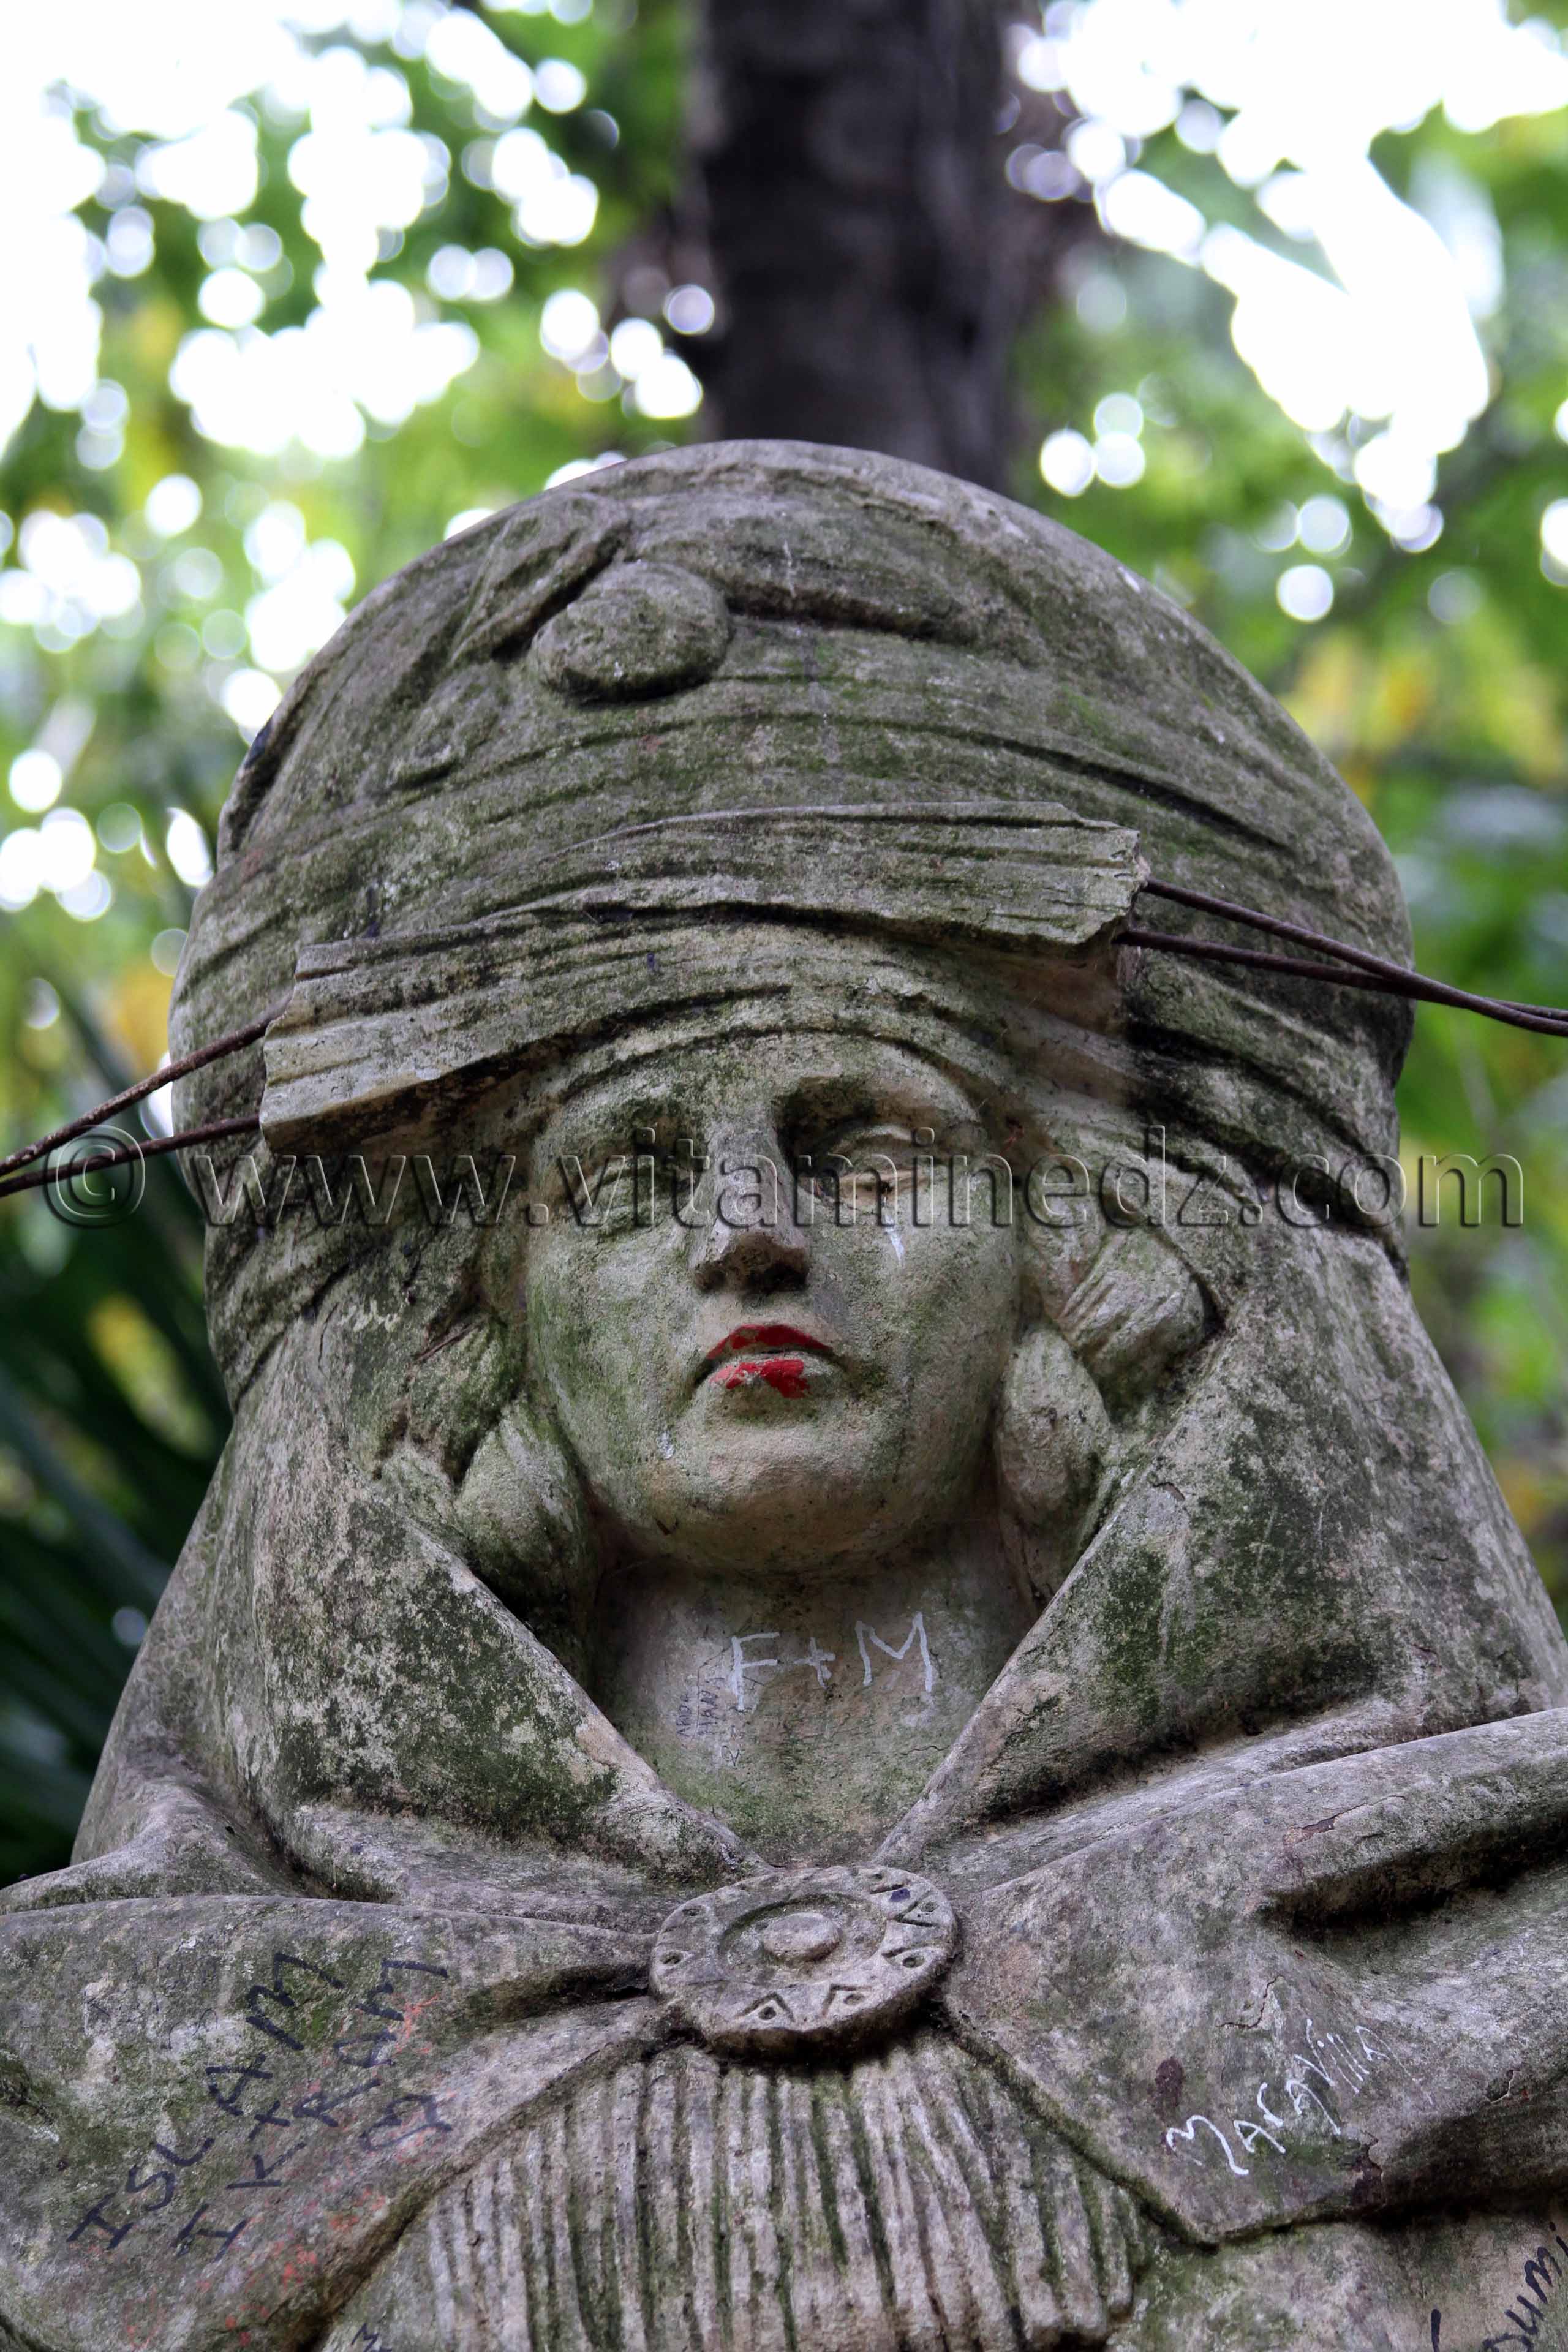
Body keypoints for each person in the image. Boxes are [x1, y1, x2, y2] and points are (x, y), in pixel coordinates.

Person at [4, 443, 1566, 2351]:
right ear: (478, 1320)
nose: (749, 1236)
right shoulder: (129, 2075)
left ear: (1066, 1258)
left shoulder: (1461, 1953)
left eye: (865, 1146)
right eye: (630, 1178)